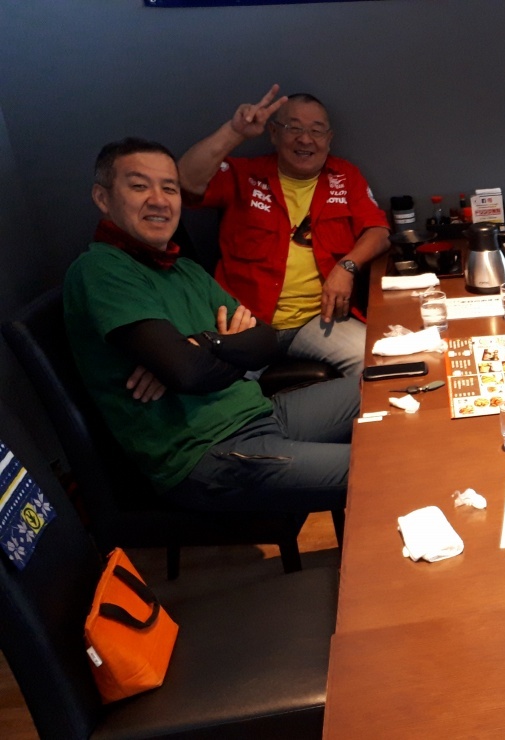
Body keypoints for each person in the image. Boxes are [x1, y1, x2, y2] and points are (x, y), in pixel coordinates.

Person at [64, 138, 357, 514]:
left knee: (389, 386)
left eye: (170, 188)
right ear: (102, 198)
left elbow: (265, 342)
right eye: (139, 186)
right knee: (381, 467)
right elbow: (186, 372)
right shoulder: (101, 269)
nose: (159, 200)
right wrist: (204, 353)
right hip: (209, 452)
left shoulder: (183, 268)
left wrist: (201, 343)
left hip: (259, 412)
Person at [178, 84, 389, 378]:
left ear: (329, 139)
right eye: (294, 128)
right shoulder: (244, 175)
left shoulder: (345, 176)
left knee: (377, 364)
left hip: (318, 320)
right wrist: (235, 132)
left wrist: (347, 266)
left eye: (316, 131)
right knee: (222, 392)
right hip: (247, 323)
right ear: (274, 133)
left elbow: (379, 231)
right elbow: (185, 180)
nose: (305, 139)